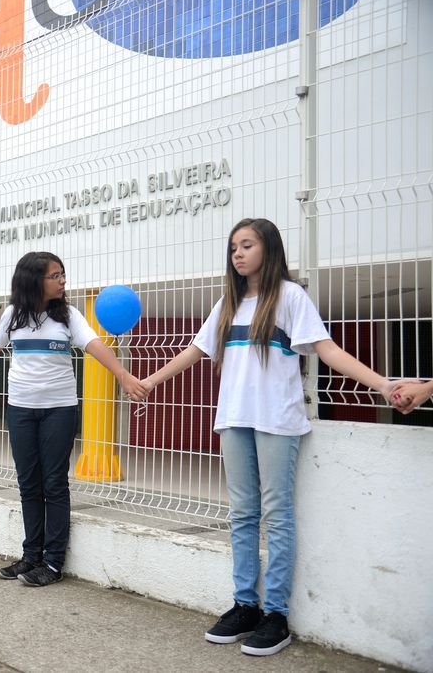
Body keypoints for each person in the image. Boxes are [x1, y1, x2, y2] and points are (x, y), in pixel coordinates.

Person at [138, 218, 408, 657]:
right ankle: (245, 604)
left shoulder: (290, 297)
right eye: (233, 248)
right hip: (234, 420)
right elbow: (196, 349)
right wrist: (150, 381)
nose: (238, 254)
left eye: (247, 245)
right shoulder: (228, 303)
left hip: (277, 422)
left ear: (269, 249)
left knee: (277, 516)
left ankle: (276, 615)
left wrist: (382, 385)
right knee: (242, 514)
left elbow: (327, 350)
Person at [0, 252, 146, 587]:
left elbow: (94, 344)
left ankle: (53, 563)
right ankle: (31, 556)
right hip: (20, 409)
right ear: (34, 280)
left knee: (54, 483)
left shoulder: (68, 316)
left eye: (62, 274)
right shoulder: (13, 314)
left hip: (58, 409)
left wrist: (122, 375)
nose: (62, 281)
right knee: (28, 481)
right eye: (55, 275)